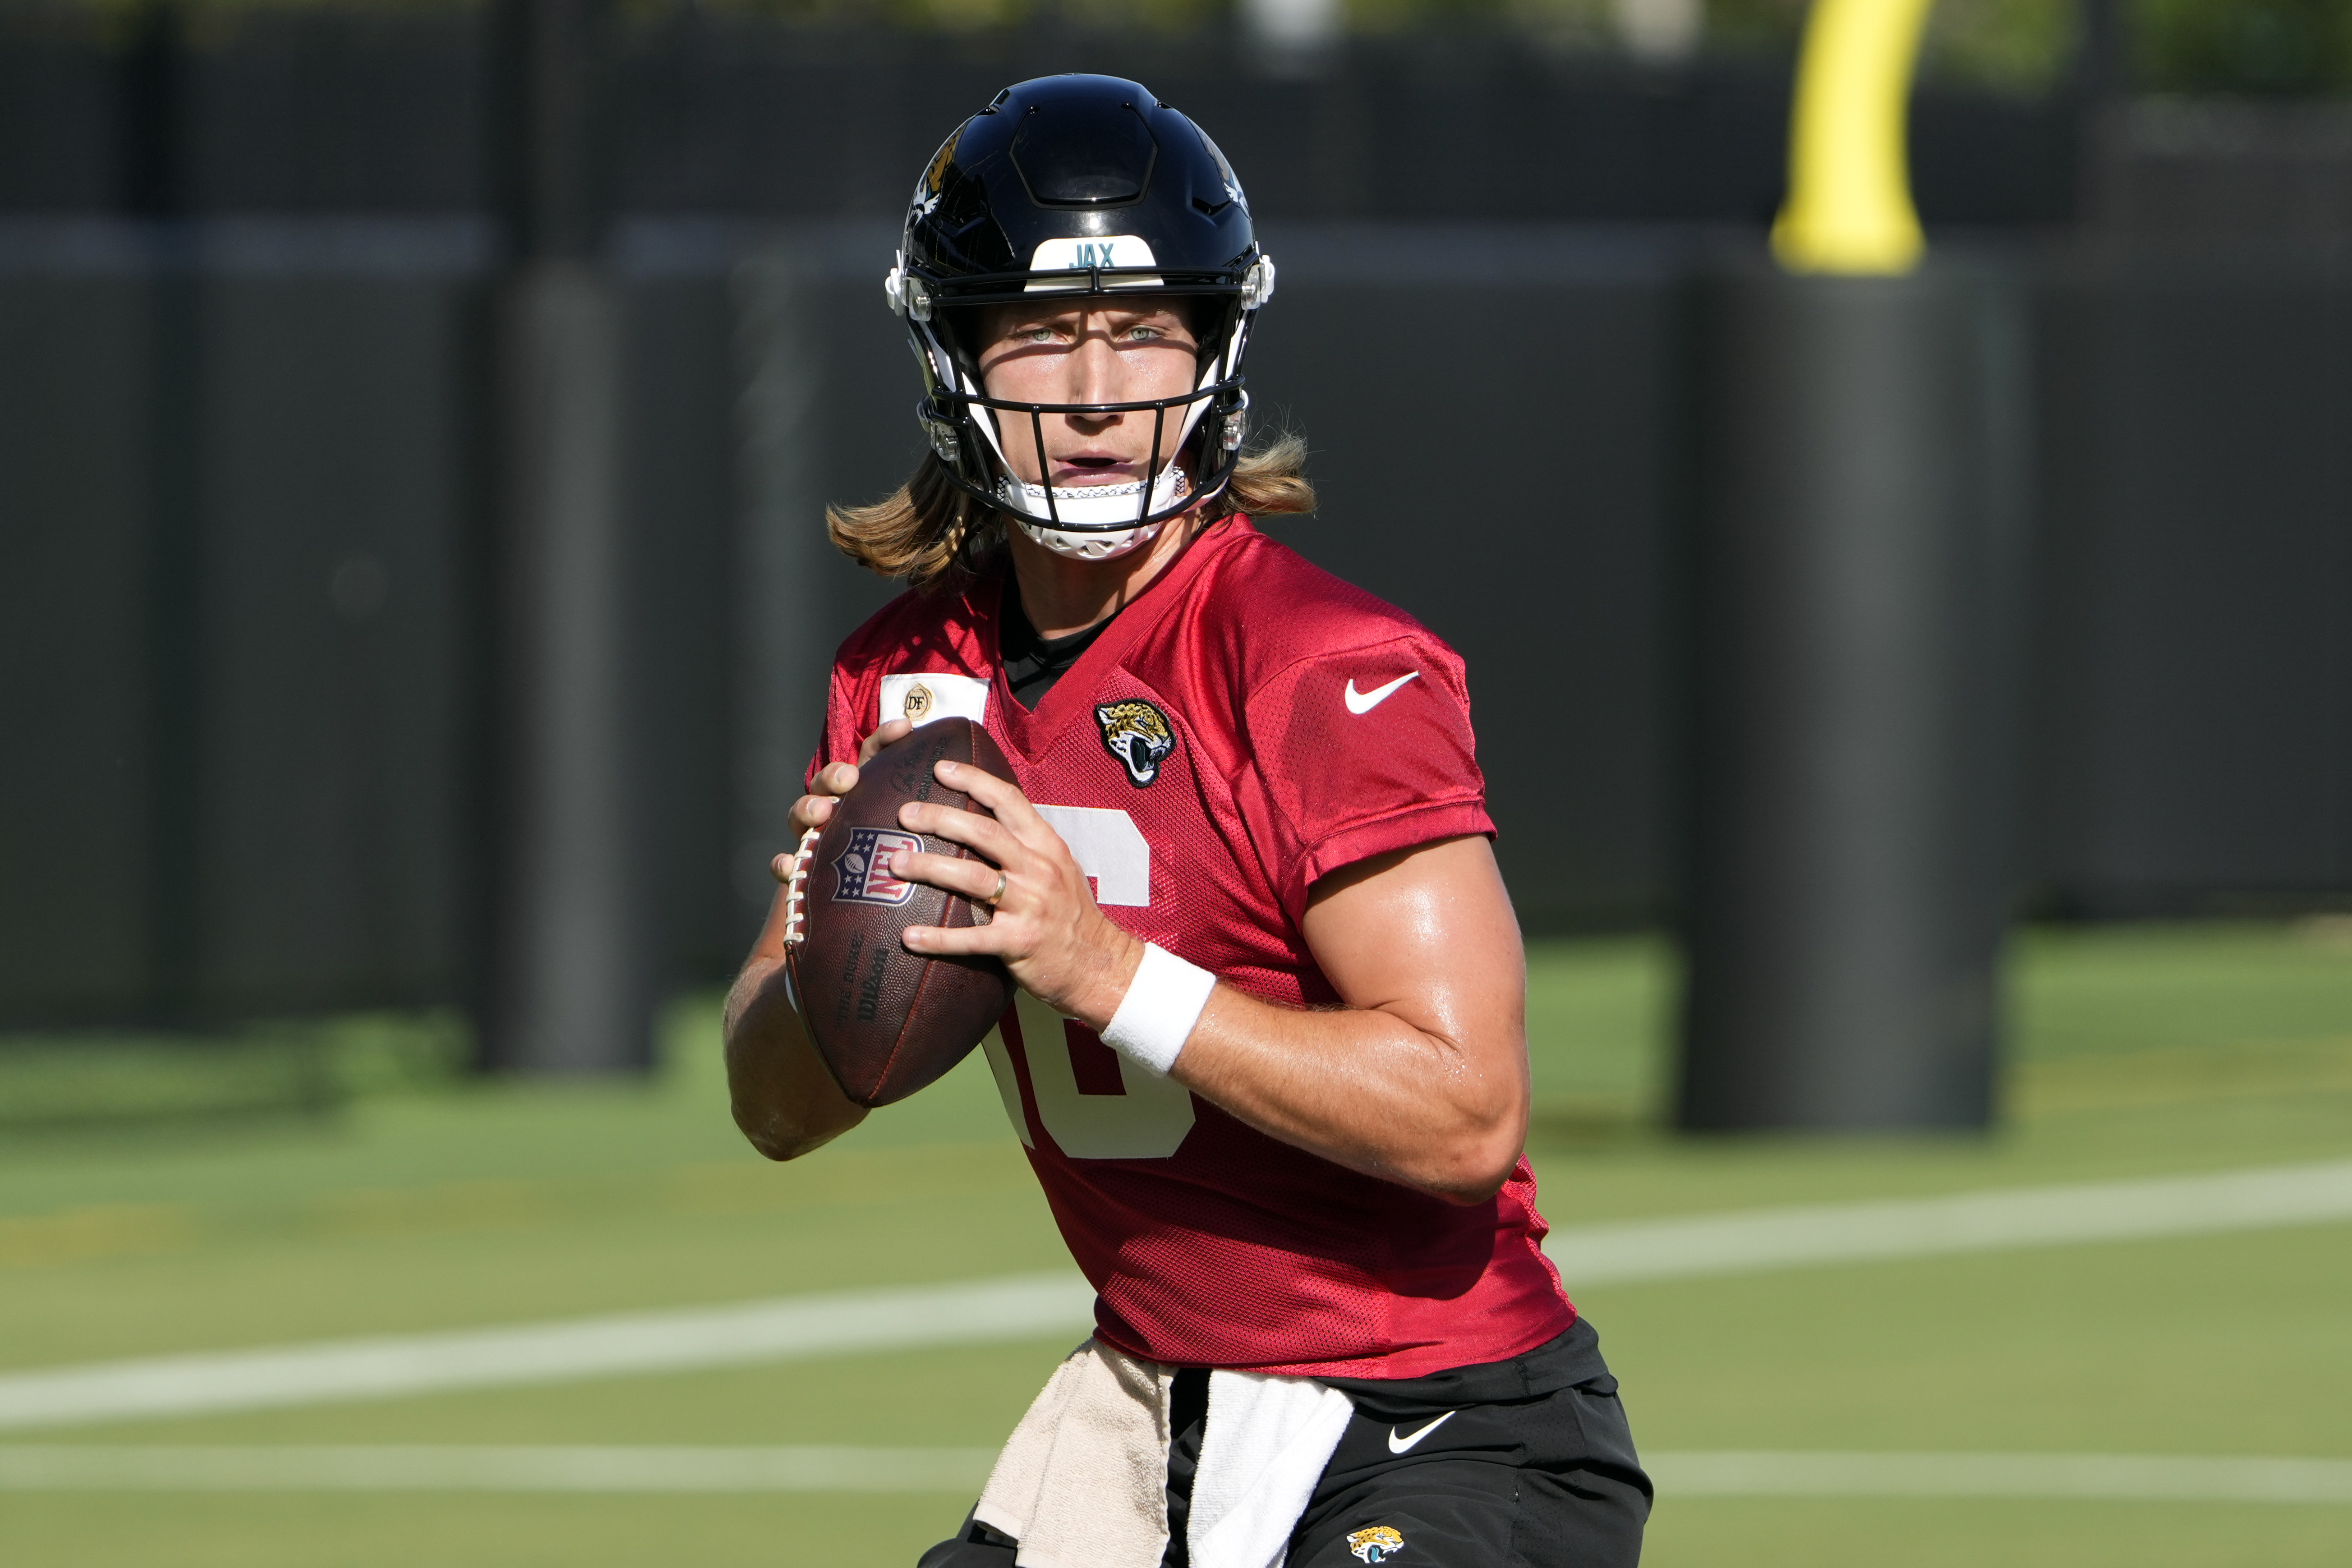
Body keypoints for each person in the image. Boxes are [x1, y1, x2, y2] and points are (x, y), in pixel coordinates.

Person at [724, 74, 1649, 1568]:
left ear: (1213, 348)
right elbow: (776, 1111)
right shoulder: (902, 681)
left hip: (1439, 1422)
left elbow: (1467, 1107)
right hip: (1149, 1413)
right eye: (1042, 333)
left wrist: (1102, 970)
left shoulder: (1317, 666)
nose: (1096, 392)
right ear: (955, 349)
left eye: (1144, 329)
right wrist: (837, 939)